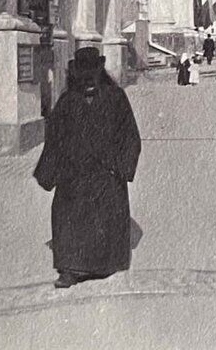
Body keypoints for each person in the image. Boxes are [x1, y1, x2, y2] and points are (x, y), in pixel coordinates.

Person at [33, 47, 142, 289]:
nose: (88, 80)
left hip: (106, 176)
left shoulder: (116, 98)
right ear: (77, 75)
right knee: (70, 221)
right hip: (74, 178)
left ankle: (103, 265)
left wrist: (120, 168)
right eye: (84, 75)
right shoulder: (66, 101)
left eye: (93, 73)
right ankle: (70, 270)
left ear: (99, 72)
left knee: (103, 221)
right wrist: (49, 174)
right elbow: (54, 139)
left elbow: (130, 137)